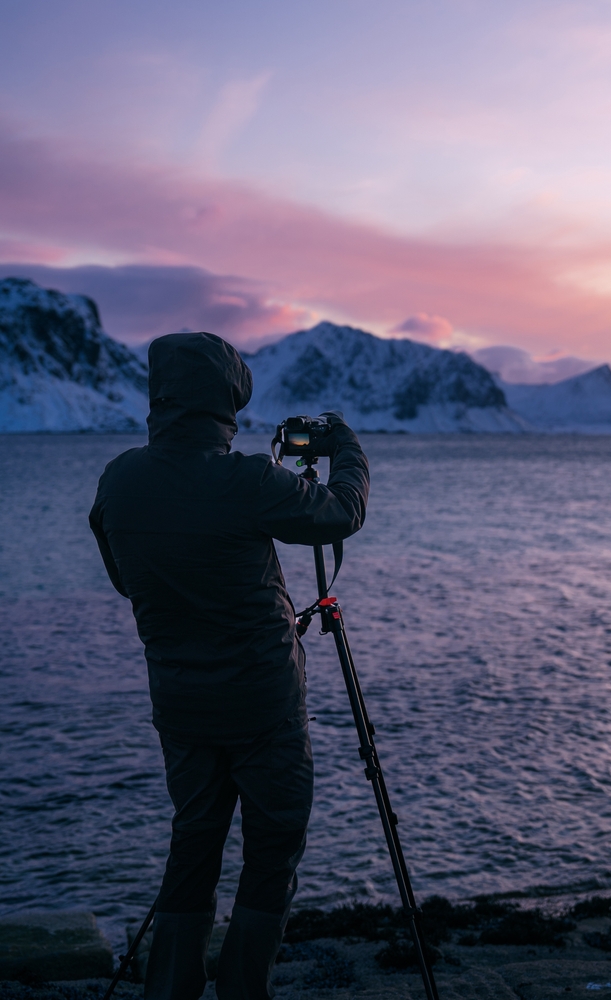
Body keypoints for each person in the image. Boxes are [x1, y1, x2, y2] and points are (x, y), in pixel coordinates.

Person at [89, 332, 369, 1000]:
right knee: (273, 848)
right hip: (264, 706)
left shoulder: (119, 481)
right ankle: (244, 990)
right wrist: (345, 447)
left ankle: (170, 990)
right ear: (228, 398)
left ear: (160, 396)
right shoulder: (248, 481)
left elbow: (128, 582)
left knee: (193, 846)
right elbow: (341, 514)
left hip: (181, 706)